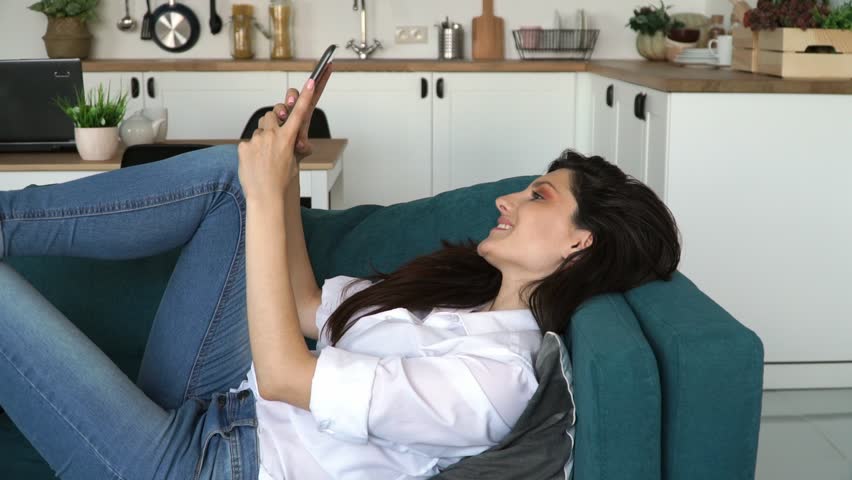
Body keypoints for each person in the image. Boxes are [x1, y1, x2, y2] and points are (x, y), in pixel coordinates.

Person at [0, 63, 680, 479]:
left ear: (580, 246)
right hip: (218, 407)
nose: (507, 199)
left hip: (203, 468)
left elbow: (287, 374)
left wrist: (272, 200)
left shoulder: (489, 385)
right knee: (231, 175)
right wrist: (279, 174)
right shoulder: (462, 301)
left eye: (539, 196)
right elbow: (300, 307)